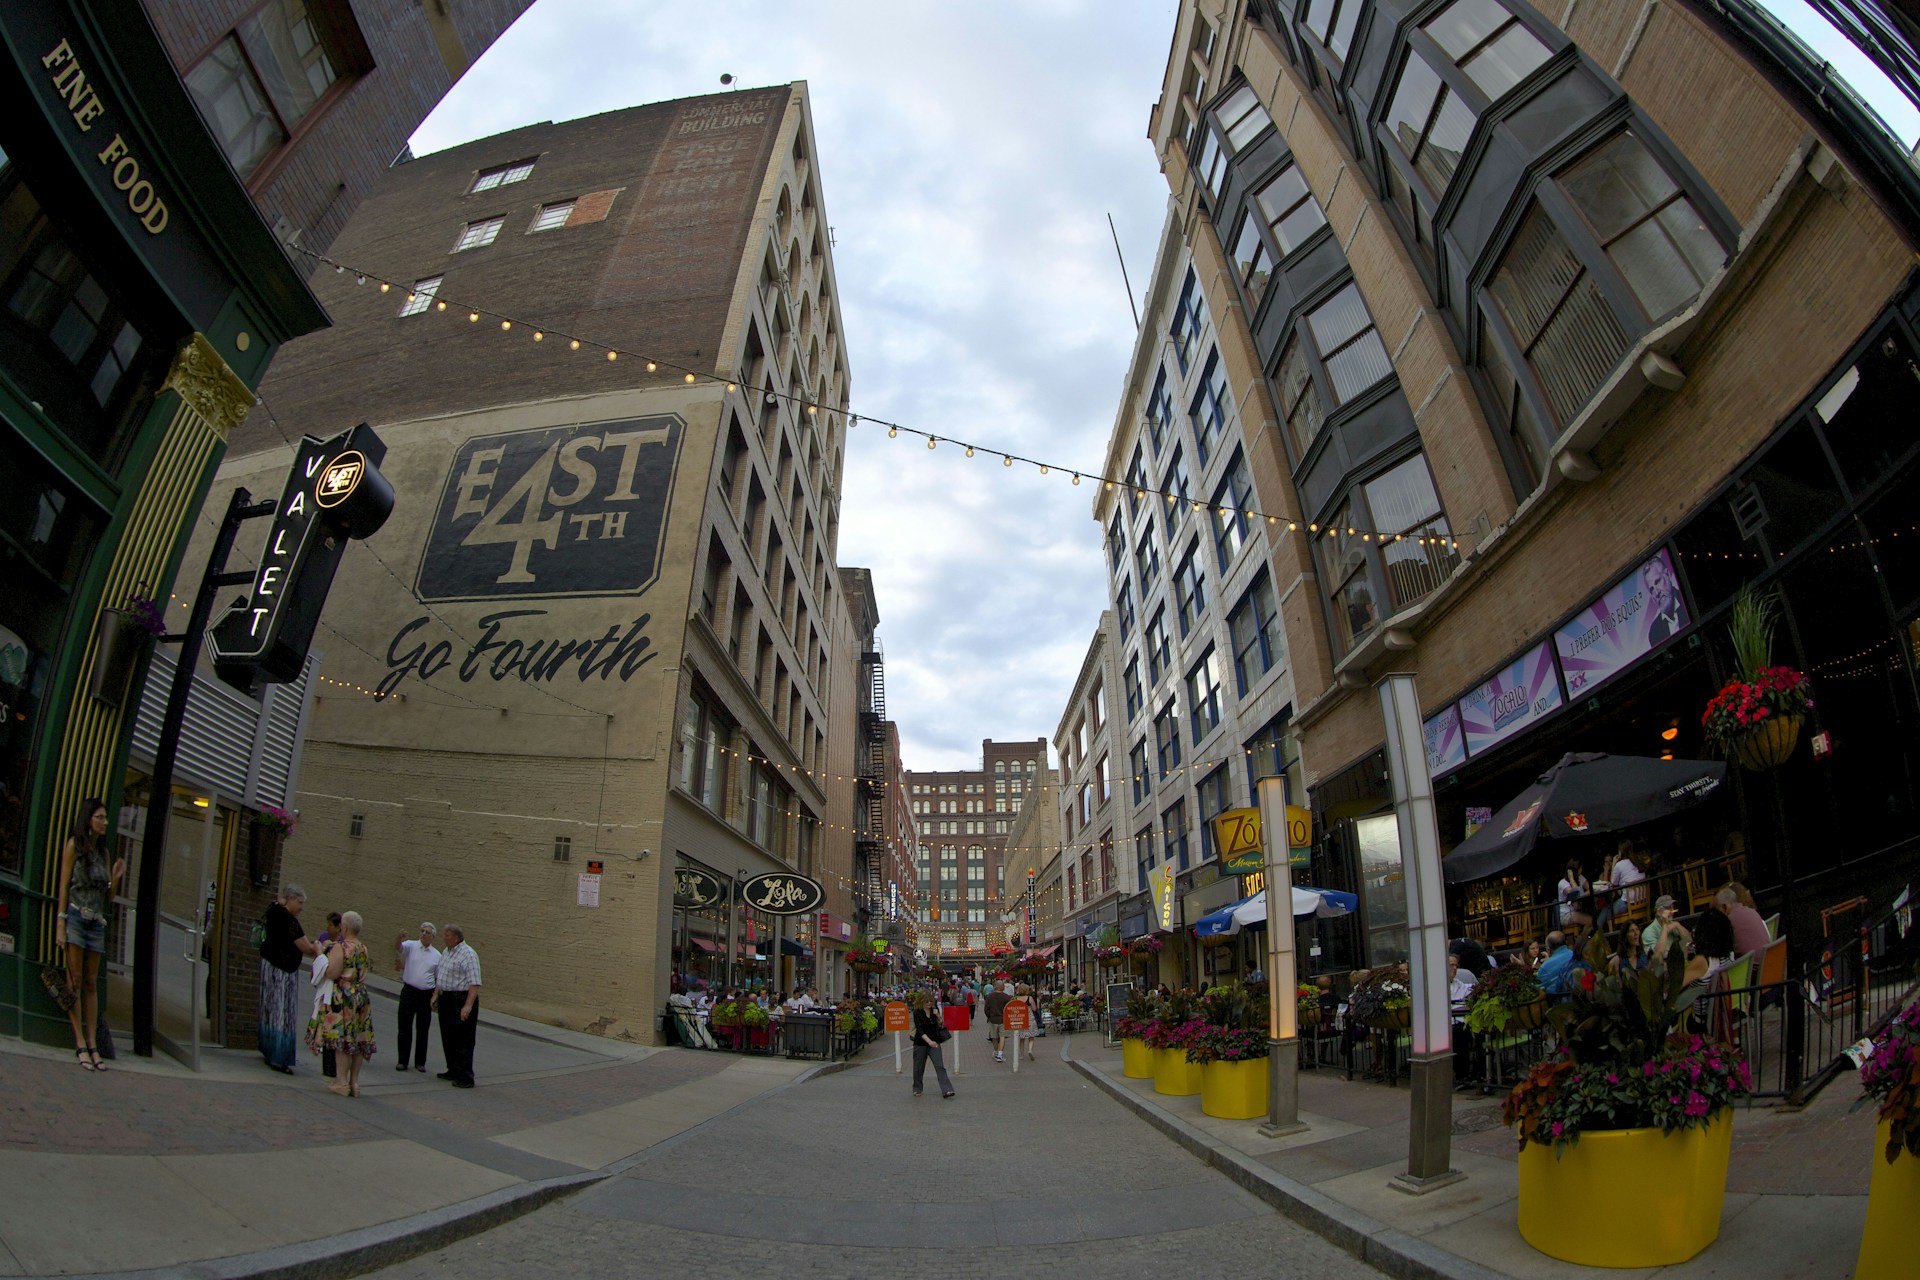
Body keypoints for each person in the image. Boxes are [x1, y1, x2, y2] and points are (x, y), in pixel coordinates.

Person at [53, 798, 125, 1072]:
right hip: (75, 917)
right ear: (89, 819)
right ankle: (80, 1042)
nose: (105, 822)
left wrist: (116, 877)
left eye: (105, 817)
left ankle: (94, 1044)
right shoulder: (75, 847)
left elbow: (108, 896)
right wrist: (60, 923)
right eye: (100, 817)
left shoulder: (102, 854)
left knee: (91, 983)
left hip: (96, 921)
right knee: (75, 981)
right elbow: (63, 885)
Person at [258, 884, 322, 1074]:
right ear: (292, 899)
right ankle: (279, 1057)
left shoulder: (274, 910)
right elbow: (305, 946)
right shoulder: (289, 920)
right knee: (281, 1012)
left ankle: (268, 1049)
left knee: (269, 1009)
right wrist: (318, 948)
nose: (302, 907)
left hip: (269, 965)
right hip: (283, 971)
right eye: (300, 902)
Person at [316, 911, 376, 1097]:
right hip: (361, 994)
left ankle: (341, 1082)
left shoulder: (341, 947)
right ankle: (354, 1083)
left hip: (343, 995)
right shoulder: (363, 948)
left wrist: (320, 955)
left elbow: (332, 973)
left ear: (345, 927)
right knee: (358, 1038)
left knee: (342, 1037)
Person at [435, 924, 482, 1088]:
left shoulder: (468, 954)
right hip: (446, 998)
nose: (443, 938)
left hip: (460, 999)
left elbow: (474, 983)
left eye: (446, 935)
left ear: (455, 938)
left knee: (463, 1039)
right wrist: (436, 994)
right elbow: (440, 975)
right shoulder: (446, 952)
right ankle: (453, 1069)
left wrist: (467, 1006)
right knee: (448, 1036)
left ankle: (466, 1076)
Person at [394, 922, 440, 1073]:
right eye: (422, 931)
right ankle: (402, 1060)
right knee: (404, 1026)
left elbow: (438, 979)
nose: (424, 934)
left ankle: (420, 1062)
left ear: (433, 937)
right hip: (409, 991)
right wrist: (398, 938)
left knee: (422, 1029)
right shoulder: (411, 946)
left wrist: (434, 996)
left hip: (425, 994)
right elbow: (399, 948)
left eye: (427, 932)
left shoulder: (437, 955)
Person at [909, 991, 955, 1098]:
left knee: (940, 1066)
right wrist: (929, 1042)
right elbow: (919, 1030)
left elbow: (940, 1024)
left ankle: (947, 1090)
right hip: (921, 1043)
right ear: (922, 1002)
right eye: (926, 1002)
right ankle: (917, 1088)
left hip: (935, 1042)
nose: (929, 1003)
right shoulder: (917, 1012)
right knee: (918, 1067)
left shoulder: (935, 1010)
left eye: (931, 1001)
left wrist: (938, 1015)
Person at [1448, 954, 1479, 1086]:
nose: (1454, 968)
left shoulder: (1458, 983)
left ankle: (1477, 1074)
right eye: (1451, 965)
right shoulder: (1436, 985)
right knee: (1460, 1034)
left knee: (1479, 1033)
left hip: (1462, 1021)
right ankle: (1462, 1075)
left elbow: (1470, 991)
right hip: (1448, 1025)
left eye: (1456, 965)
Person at [1716, 887, 1770, 958]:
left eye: (1716, 911)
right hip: (1770, 963)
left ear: (1725, 907)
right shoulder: (1752, 911)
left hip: (1752, 967)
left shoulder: (1728, 921)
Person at [1642, 896, 1693, 970]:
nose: (1672, 911)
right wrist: (1665, 928)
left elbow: (1689, 941)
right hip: (1662, 970)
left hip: (1681, 965)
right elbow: (1657, 957)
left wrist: (1678, 925)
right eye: (1668, 908)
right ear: (1659, 912)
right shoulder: (1648, 932)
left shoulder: (1674, 925)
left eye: (1672, 908)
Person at [1537, 931, 1582, 997]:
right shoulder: (1577, 956)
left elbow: (1537, 988)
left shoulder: (1545, 967)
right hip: (1581, 998)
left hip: (1557, 1002)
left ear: (1548, 948)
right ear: (1566, 942)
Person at [1557, 860, 1593, 939]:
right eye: (1580, 869)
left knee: (1592, 915)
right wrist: (1572, 879)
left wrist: (1584, 894)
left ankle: (1583, 938)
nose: (1581, 870)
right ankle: (1583, 940)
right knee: (1590, 920)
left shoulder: (1580, 877)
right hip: (1567, 914)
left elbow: (1590, 889)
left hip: (1577, 910)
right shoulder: (1562, 883)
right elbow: (1576, 894)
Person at [984, 978, 1011, 1063]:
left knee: (994, 1037)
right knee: (1002, 1036)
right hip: (1003, 1019)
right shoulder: (1006, 997)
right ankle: (1000, 1053)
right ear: (1001, 987)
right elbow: (1009, 1008)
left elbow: (986, 1009)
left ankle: (995, 1051)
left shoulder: (990, 996)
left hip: (993, 1019)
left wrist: (989, 1016)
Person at [1012, 983, 1037, 1062]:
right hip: (1029, 1018)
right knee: (1031, 1036)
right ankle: (1030, 1050)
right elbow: (1034, 1009)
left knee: (1022, 1038)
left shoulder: (1016, 999)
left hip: (1021, 1019)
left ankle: (1022, 1055)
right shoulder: (1030, 998)